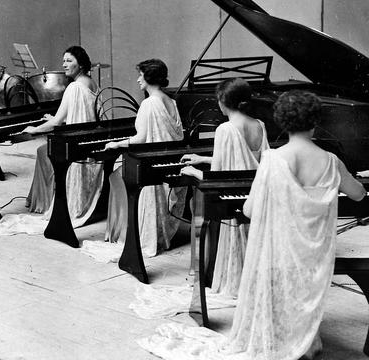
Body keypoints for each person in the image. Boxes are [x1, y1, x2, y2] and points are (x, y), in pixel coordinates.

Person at [137, 91, 366, 360]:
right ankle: (306, 341)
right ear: (315, 121)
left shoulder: (274, 161)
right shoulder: (332, 161)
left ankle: (283, 339)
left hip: (281, 253)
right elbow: (359, 194)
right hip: (316, 259)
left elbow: (249, 210)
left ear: (283, 121)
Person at [0, 45, 100, 235]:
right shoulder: (91, 83)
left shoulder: (74, 87)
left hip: (77, 150)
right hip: (89, 143)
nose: (64, 64)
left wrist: (35, 128)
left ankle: (43, 204)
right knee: (43, 149)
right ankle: (43, 200)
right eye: (63, 60)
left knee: (42, 150)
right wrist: (58, 119)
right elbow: (84, 115)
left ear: (81, 64)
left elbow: (57, 122)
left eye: (69, 61)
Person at [180, 78, 270, 297]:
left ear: (222, 101)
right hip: (254, 192)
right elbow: (248, 161)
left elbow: (217, 176)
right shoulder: (259, 124)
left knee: (199, 206)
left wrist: (193, 171)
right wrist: (201, 158)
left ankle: (215, 276)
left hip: (232, 195)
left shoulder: (225, 129)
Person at [101, 59, 185, 257]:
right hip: (168, 164)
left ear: (148, 77)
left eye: (140, 75)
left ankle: (126, 232)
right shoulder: (171, 101)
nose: (138, 79)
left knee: (115, 176)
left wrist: (117, 143)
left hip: (152, 166)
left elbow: (140, 139)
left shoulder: (149, 103)